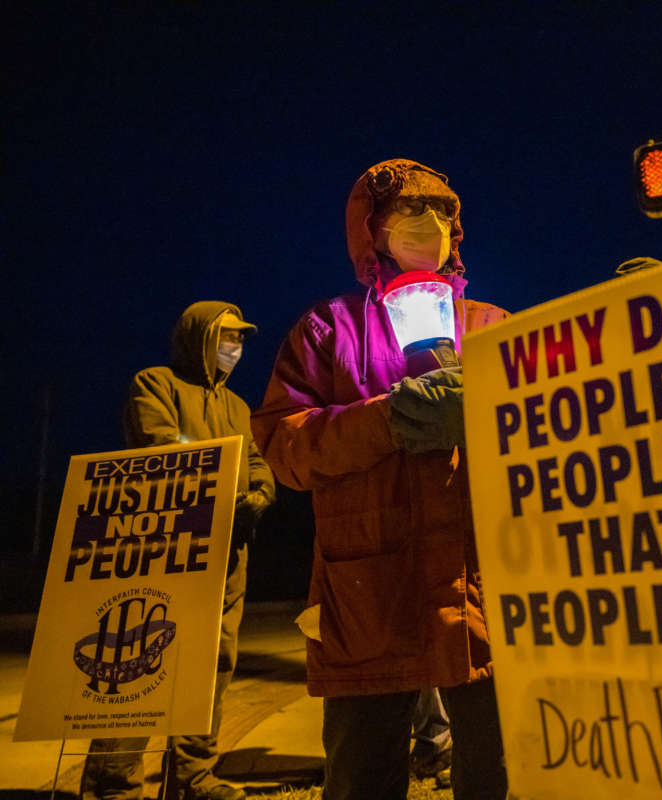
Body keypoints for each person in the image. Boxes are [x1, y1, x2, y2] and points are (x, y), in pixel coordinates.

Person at [250, 158, 509, 800]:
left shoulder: (492, 326)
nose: (428, 225)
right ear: (371, 234)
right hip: (366, 590)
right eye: (405, 213)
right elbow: (284, 447)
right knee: (364, 774)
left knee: (500, 772)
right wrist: (389, 419)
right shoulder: (325, 330)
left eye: (441, 212)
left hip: (481, 585)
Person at [81, 302, 276, 800]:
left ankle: (192, 777)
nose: (235, 348)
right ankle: (112, 783)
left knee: (213, 661)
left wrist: (260, 493)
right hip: (165, 547)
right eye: (227, 337)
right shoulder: (156, 383)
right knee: (138, 660)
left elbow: (257, 460)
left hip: (227, 552)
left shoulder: (236, 406)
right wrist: (226, 489)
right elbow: (161, 447)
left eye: (240, 340)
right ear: (200, 338)